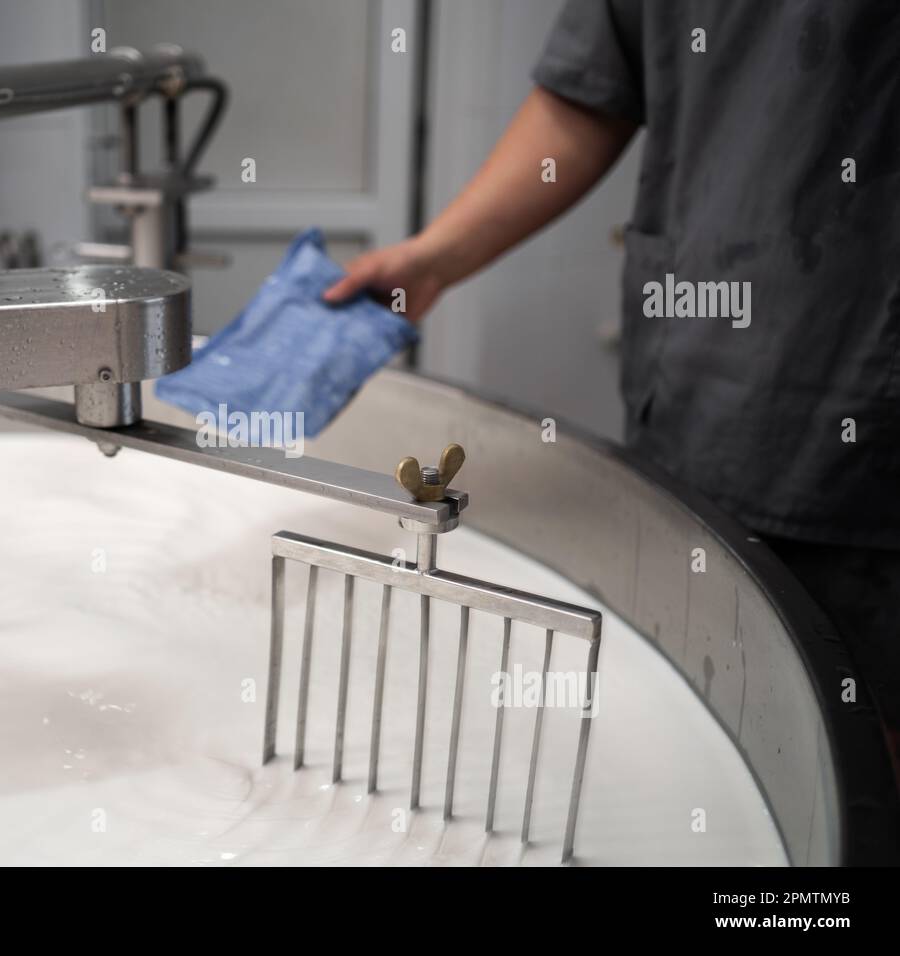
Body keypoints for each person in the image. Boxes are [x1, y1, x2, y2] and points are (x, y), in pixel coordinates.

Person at [324, 0, 900, 857]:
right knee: (708, 747)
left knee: (849, 789)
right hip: (694, 399)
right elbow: (588, 93)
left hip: (859, 406)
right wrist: (434, 256)